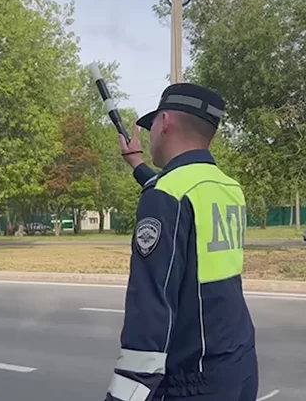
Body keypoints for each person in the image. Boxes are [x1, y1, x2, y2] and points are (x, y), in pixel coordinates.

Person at [104, 83, 258, 401]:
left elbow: (151, 310)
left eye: (152, 126)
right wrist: (137, 164)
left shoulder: (165, 194)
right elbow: (184, 200)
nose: (149, 136)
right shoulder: (228, 187)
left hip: (192, 380)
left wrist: (126, 394)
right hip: (238, 366)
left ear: (166, 122)